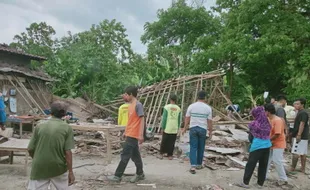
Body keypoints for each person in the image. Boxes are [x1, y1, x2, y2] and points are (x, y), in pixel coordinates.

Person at [27, 101, 75, 190]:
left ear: (50, 112)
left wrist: (37, 159)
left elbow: (30, 149)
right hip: (58, 167)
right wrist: (71, 172)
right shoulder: (67, 128)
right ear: (64, 113)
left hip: (39, 166)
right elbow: (68, 152)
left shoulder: (39, 126)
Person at [108, 86, 145, 183]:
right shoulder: (130, 105)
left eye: (126, 94)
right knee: (135, 155)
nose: (125, 96)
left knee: (125, 155)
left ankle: (117, 176)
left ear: (131, 95)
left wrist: (141, 134)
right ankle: (140, 173)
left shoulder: (138, 105)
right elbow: (130, 121)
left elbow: (141, 120)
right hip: (130, 133)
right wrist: (126, 131)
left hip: (134, 134)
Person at [236, 106, 271, 189]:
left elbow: (250, 137)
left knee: (251, 165)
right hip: (267, 146)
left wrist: (252, 143)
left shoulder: (253, 124)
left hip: (257, 146)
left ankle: (245, 183)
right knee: (263, 165)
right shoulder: (267, 122)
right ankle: (260, 184)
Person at [182, 91, 213, 174]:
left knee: (193, 147)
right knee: (201, 147)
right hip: (203, 129)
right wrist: (210, 131)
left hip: (193, 128)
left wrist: (184, 128)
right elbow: (209, 121)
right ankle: (199, 164)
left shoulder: (192, 106)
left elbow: (187, 118)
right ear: (205, 98)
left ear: (197, 97)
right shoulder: (208, 108)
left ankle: (193, 167)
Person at [264, 103, 288, 185]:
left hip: (278, 143)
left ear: (268, 112)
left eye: (264, 111)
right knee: (267, 159)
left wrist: (267, 140)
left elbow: (277, 134)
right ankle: (264, 175)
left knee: (277, 160)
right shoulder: (269, 119)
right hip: (271, 143)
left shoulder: (277, 120)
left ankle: (283, 178)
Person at [159, 94, 181, 160]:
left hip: (167, 127)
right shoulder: (178, 108)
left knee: (164, 140)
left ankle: (161, 153)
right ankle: (170, 155)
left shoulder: (166, 107)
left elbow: (164, 118)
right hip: (174, 127)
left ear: (170, 99)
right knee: (172, 142)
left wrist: (163, 127)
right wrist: (178, 128)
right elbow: (179, 119)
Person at [290, 98, 309, 174]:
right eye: (295, 104)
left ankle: (292, 168)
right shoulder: (300, 112)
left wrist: (299, 134)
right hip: (304, 135)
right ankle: (302, 168)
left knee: (295, 152)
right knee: (303, 152)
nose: (295, 105)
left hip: (301, 135)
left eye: (298, 104)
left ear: (302, 105)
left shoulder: (303, 113)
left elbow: (302, 123)